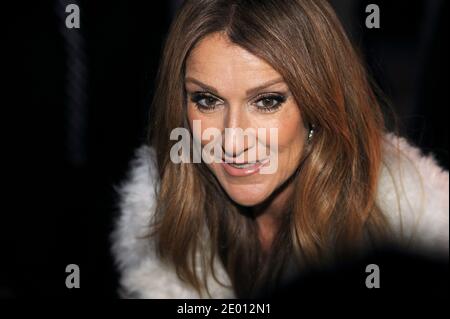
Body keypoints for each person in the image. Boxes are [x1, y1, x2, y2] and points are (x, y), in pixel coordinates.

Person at [111, 0, 449, 299]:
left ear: (318, 106)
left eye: (267, 101)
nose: (232, 141)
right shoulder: (157, 223)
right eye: (206, 100)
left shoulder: (411, 230)